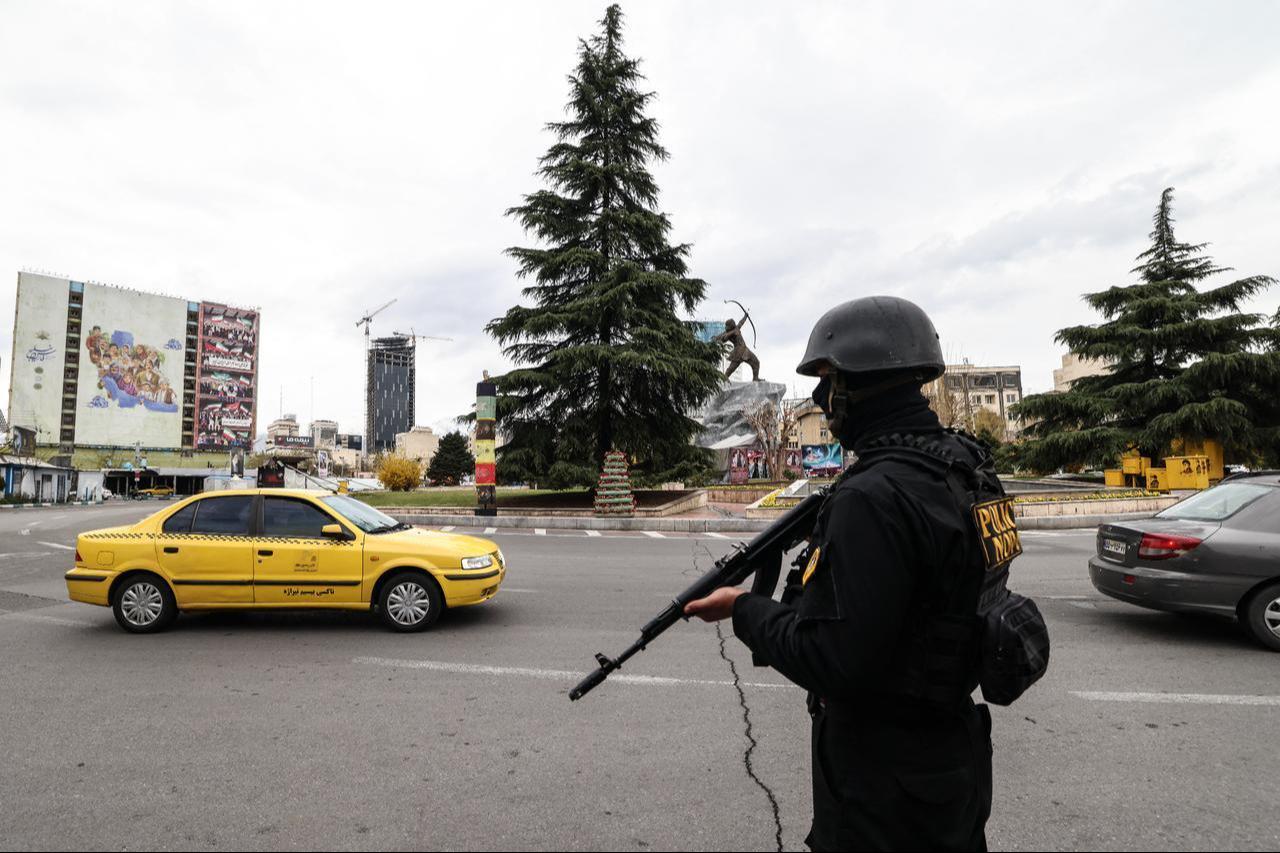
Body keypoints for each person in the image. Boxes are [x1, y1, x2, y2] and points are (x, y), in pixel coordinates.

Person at [686, 296, 998, 851]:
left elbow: (836, 661)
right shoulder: (967, 469)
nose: (821, 398)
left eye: (829, 380)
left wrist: (745, 608)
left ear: (862, 384)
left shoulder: (873, 497)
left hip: (883, 789)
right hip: (951, 767)